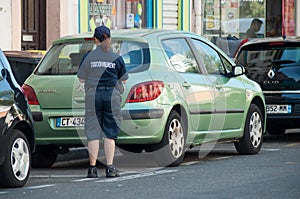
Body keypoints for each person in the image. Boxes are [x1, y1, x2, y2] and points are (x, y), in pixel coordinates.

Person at [77, 25, 128, 178]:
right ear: (109, 39)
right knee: (109, 133)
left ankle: (92, 169)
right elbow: (124, 80)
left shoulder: (88, 57)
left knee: (92, 133)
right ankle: (110, 168)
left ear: (95, 40)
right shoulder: (116, 57)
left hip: (93, 95)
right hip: (111, 96)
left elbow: (81, 78)